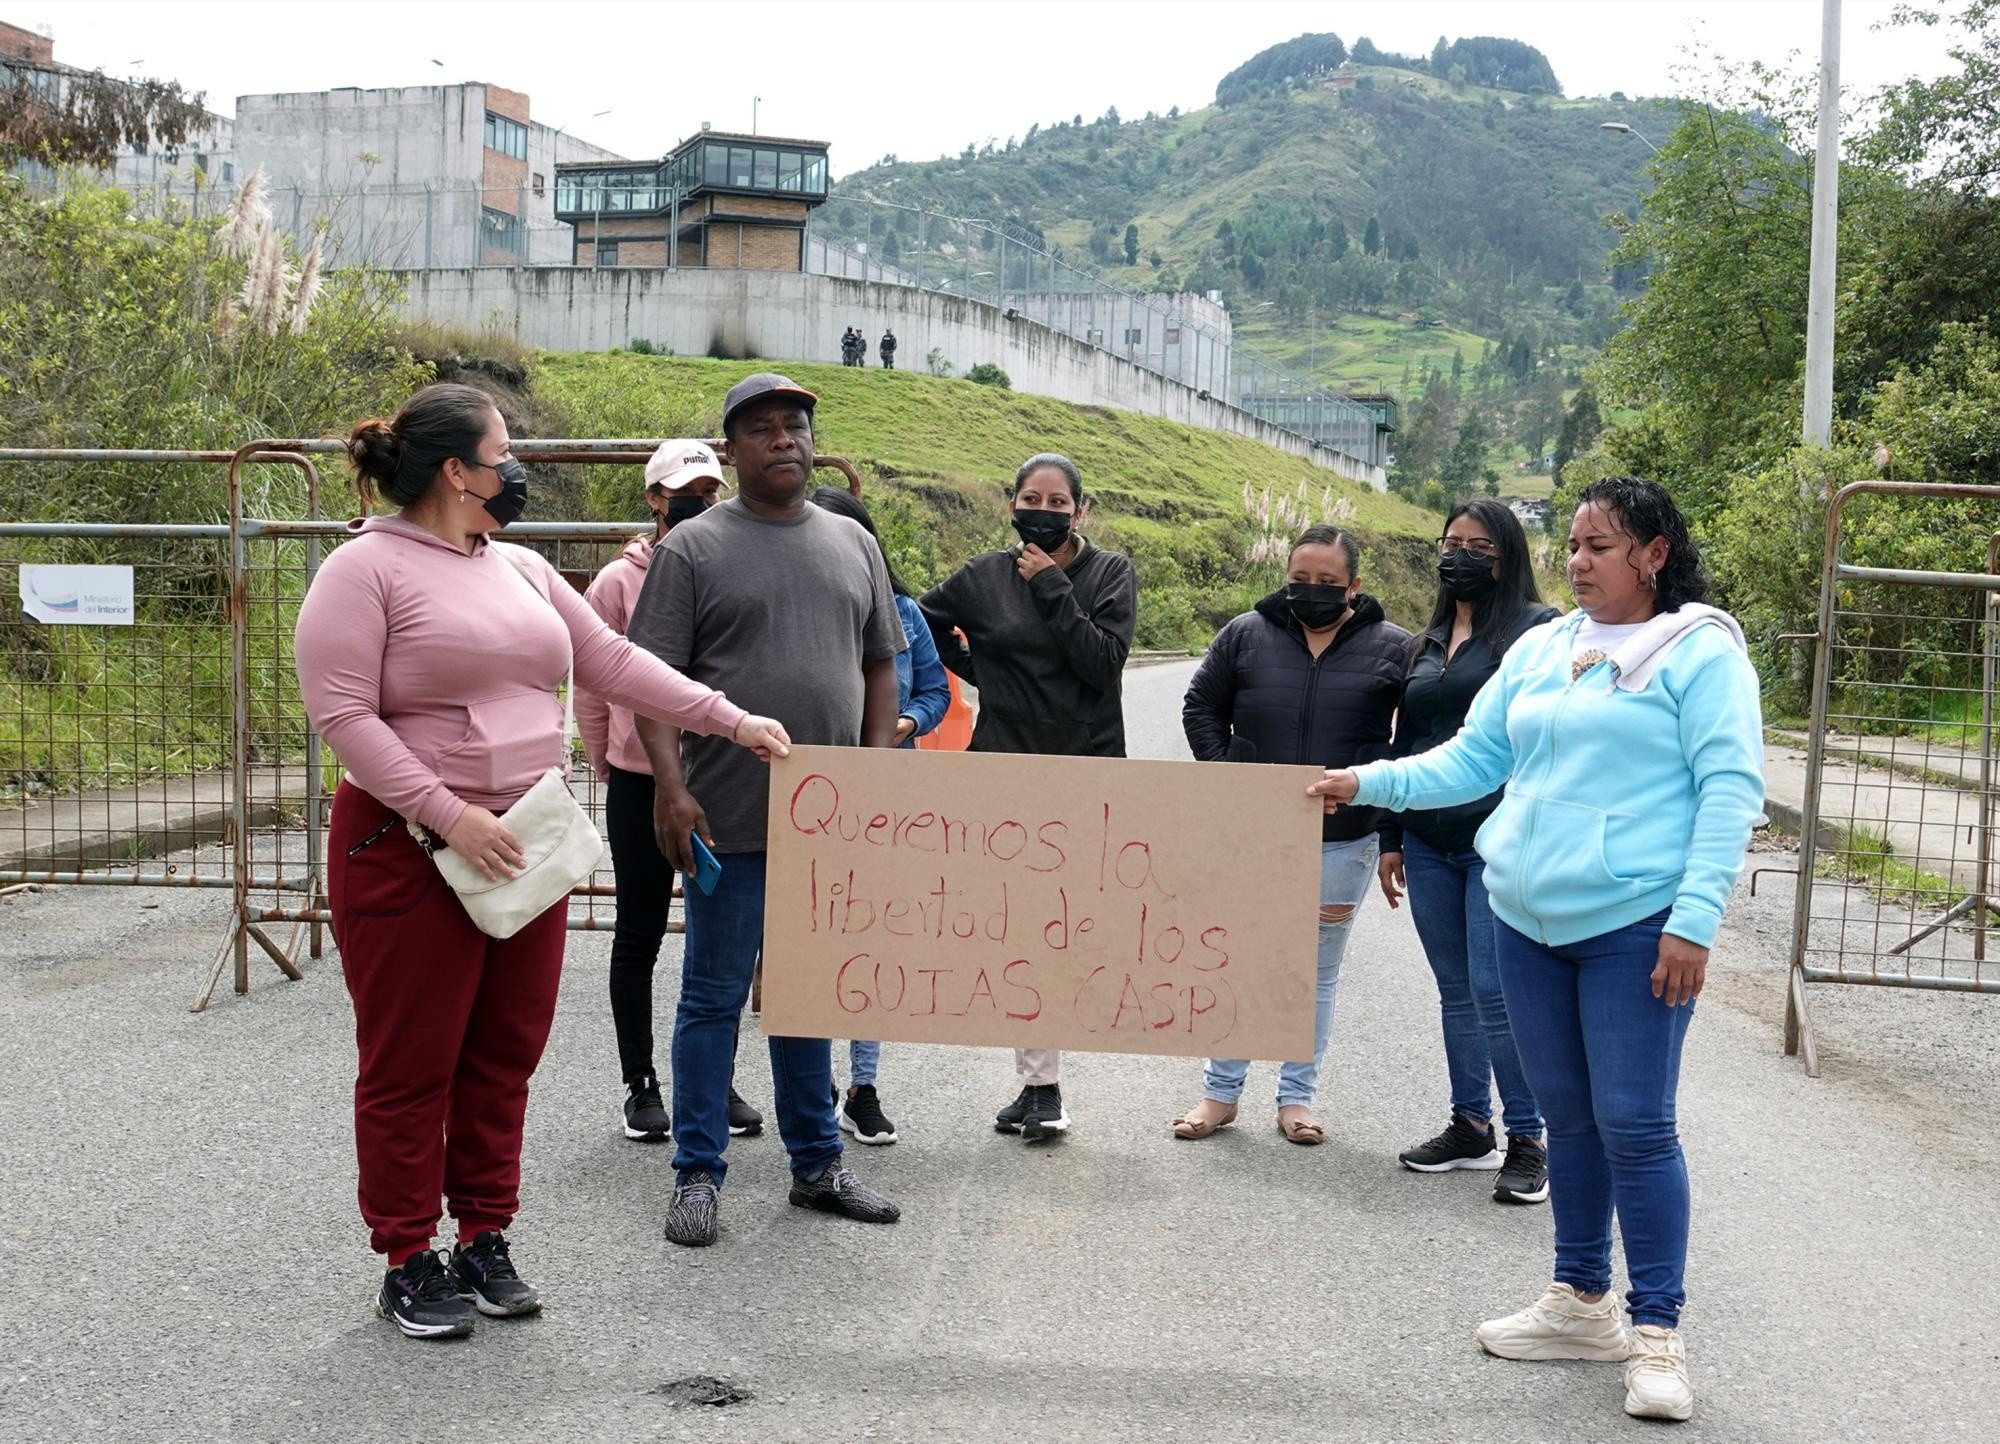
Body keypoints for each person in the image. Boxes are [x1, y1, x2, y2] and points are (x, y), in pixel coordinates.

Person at [295, 382, 789, 1338]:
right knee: (411, 1062)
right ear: (456, 472)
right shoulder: (363, 570)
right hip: (408, 845)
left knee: (505, 1052)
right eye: (503, 455)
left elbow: (612, 661)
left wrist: (730, 719)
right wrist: (449, 815)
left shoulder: (519, 567)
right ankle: (407, 1256)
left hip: (522, 839)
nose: (514, 471)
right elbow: (344, 716)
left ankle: (485, 1233)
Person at [1309, 477, 1763, 1423]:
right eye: (1575, 545)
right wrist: (1367, 782)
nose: (1579, 562)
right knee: (1570, 1119)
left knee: (1637, 1124)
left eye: (1601, 546)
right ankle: (1581, 1300)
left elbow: (1729, 789)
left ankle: (1658, 1332)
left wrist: (1694, 921)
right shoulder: (1546, 647)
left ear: (1654, 555)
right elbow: (1475, 760)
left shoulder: (1699, 651)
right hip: (1525, 919)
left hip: (1635, 925)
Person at [626, 372, 906, 1247]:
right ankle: (697, 1171)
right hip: (727, 815)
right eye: (762, 429)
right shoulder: (692, 549)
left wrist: (872, 775)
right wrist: (671, 788)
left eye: (796, 426)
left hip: (830, 826)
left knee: (805, 993)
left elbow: (880, 666)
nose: (784, 439)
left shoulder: (853, 543)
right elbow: (651, 683)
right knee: (713, 996)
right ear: (732, 449)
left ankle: (816, 1164)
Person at [918, 453, 1136, 1141]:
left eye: (1057, 501)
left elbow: (1101, 663)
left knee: (1062, 929)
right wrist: (975, 668)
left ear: (1081, 511)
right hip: (1003, 768)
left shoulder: (1109, 574)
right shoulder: (983, 575)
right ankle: (1038, 1083)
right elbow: (918, 619)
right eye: (1030, 499)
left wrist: (1050, 586)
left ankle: (1043, 1086)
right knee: (1016, 927)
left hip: (1083, 773)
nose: (1043, 511)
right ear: (1010, 504)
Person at [1176, 524, 1410, 1146]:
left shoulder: (1395, 649)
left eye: (1327, 582)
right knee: (1242, 960)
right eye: (1300, 578)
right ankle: (1220, 1094)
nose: (1311, 590)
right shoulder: (1244, 634)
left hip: (1345, 840)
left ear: (1354, 586)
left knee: (1315, 972)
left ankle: (1297, 1098)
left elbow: (1407, 749)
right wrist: (1234, 777)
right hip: (1252, 834)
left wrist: (1380, 812)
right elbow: (1200, 707)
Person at [574, 439, 765, 1147]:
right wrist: (609, 761)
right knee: (641, 928)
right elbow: (592, 684)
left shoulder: (731, 563)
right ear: (654, 498)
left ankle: (715, 1081)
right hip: (640, 779)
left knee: (721, 936)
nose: (699, 503)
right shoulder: (616, 583)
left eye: (710, 491)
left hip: (720, 774)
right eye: (684, 493)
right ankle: (640, 1084)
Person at [1380, 499, 1558, 1201]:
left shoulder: (1536, 633)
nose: (1460, 555)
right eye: (1451, 542)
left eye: (1479, 546)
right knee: (1455, 989)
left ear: (1507, 555)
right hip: (1428, 841)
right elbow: (1406, 742)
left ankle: (1529, 1137)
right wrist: (1392, 835)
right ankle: (1471, 1124)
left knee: (1495, 990)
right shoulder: (1425, 641)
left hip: (1497, 840)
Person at [809, 485, 952, 1145]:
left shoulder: (905, 613)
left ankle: (863, 1087)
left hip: (888, 799)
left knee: (874, 936)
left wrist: (904, 723)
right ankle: (815, 1084)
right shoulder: (799, 611)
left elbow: (936, 691)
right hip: (814, 800)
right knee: (814, 938)